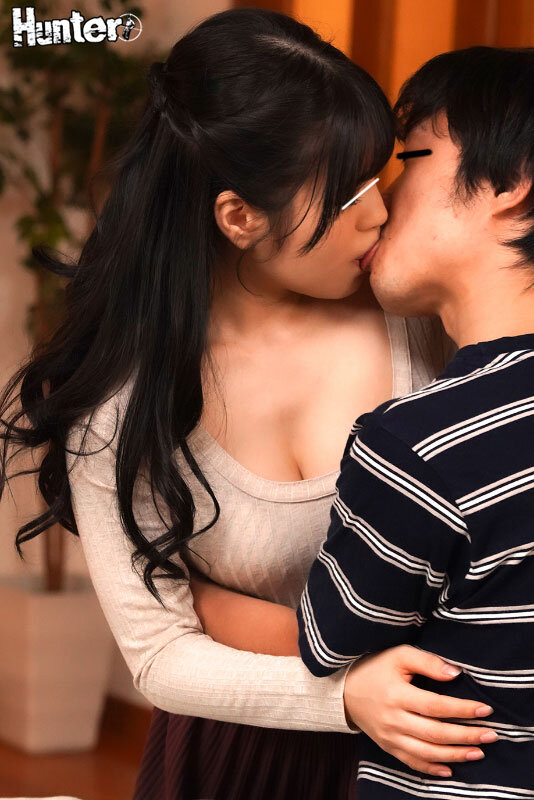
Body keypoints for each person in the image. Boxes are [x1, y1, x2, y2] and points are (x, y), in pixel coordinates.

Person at [0, 10, 497, 800]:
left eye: (378, 176)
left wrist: (230, 611)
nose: (378, 212)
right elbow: (159, 653)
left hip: (437, 752)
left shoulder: (415, 310)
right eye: (346, 195)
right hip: (239, 761)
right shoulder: (129, 402)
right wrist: (345, 696)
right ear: (239, 217)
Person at [297, 46, 534, 797]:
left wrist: (201, 599)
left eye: (409, 159)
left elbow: (328, 641)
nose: (377, 203)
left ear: (510, 184)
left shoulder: (422, 445)